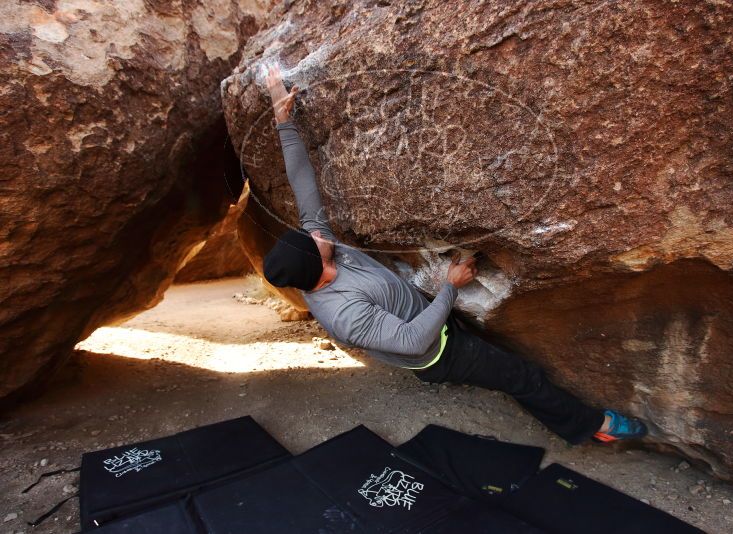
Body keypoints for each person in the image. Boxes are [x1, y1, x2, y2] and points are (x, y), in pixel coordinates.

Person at [259, 63, 646, 445]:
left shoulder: (322, 251)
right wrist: (450, 287)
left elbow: (302, 184)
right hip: (439, 353)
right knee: (521, 376)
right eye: (313, 239)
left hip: (428, 317)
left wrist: (283, 122)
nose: (316, 231)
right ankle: (596, 426)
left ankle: (576, 420)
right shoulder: (343, 316)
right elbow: (412, 340)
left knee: (510, 373)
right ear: (318, 265)